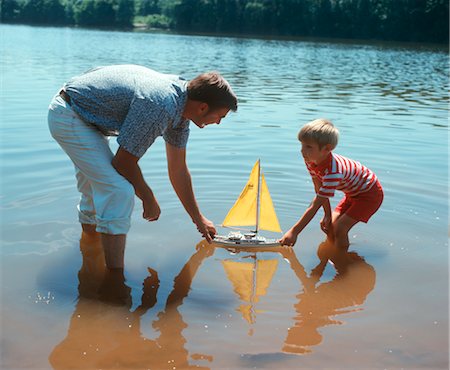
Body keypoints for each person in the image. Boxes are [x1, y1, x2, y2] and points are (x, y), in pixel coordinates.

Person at [48, 64, 238, 271]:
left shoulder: (182, 112)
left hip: (88, 117)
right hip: (70, 113)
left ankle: (91, 249)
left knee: (96, 190)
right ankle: (114, 277)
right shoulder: (161, 105)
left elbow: (179, 171)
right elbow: (123, 162)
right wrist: (148, 197)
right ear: (203, 107)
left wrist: (198, 219)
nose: (218, 122)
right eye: (220, 116)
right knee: (118, 190)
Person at [280, 118, 383, 250]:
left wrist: (295, 231)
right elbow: (319, 190)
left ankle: (342, 260)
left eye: (308, 147)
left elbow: (317, 203)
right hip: (352, 193)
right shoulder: (311, 160)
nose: (302, 151)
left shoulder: (333, 172)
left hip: (369, 195)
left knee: (340, 228)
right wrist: (327, 215)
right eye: (302, 145)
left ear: (327, 149)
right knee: (329, 226)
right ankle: (332, 256)